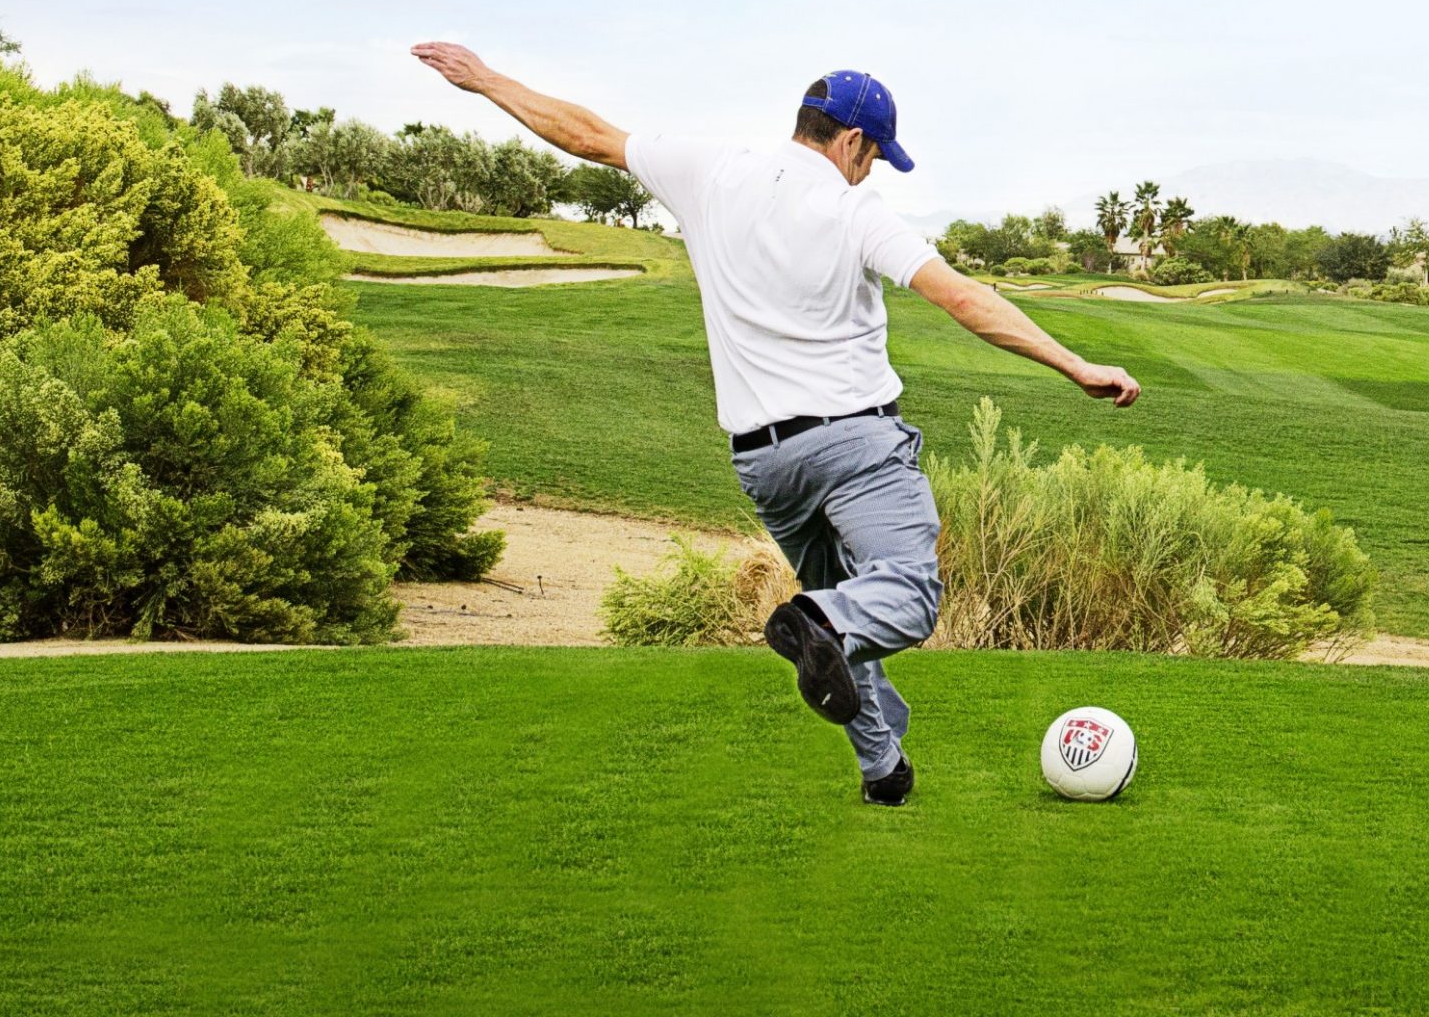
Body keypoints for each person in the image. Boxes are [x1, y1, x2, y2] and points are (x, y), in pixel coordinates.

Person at [412, 45, 1141, 805]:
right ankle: (811, 620)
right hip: (857, 446)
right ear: (851, 142)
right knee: (905, 595)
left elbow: (585, 134)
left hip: (764, 463)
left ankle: (882, 769)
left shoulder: (710, 170)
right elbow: (963, 298)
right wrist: (1079, 366)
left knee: (839, 622)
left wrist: (487, 80)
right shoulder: (854, 209)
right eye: (875, 157)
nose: (871, 173)